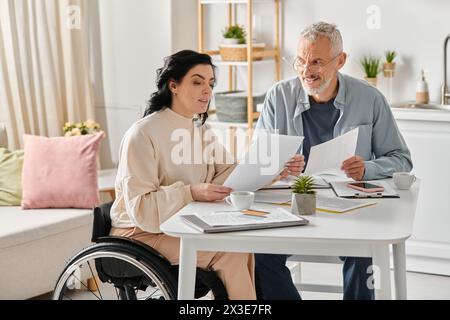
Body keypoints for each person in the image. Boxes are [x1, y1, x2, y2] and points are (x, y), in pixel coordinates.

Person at [109, 50, 303, 300]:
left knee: (243, 246)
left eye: (210, 83)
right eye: (197, 81)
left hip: (182, 225)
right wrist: (191, 192)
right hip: (139, 233)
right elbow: (141, 207)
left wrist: (273, 169)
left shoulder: (199, 128)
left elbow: (227, 173)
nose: (208, 91)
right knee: (229, 252)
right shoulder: (142, 134)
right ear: (173, 85)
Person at [254, 22, 413, 300]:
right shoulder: (277, 97)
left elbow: (401, 160)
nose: (306, 70)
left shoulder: (370, 98)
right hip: (291, 207)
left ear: (340, 61)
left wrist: (368, 168)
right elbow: (257, 161)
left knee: (364, 252)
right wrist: (277, 167)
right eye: (300, 61)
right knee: (259, 256)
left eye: (316, 61)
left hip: (349, 208)